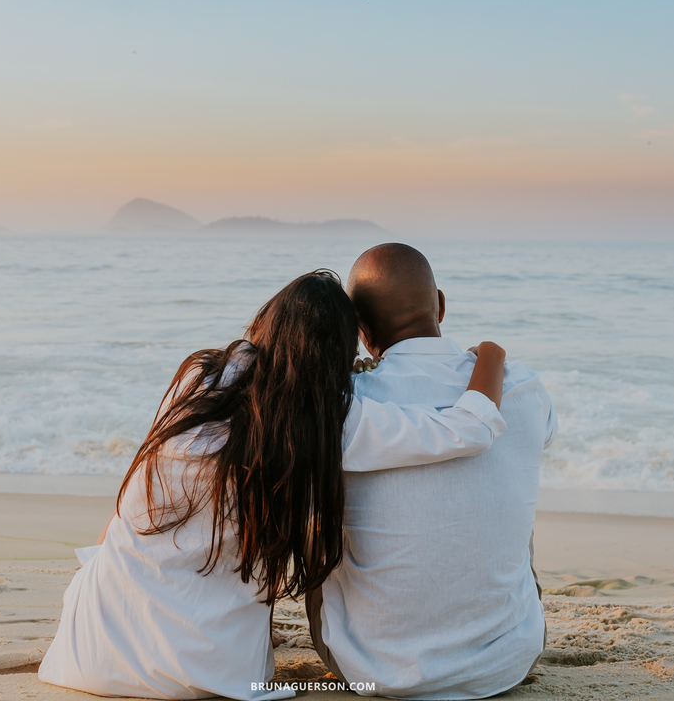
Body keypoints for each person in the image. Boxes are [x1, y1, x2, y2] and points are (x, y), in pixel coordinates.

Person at [38, 269, 511, 700]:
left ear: (268, 323)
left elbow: (129, 509)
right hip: (207, 675)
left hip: (87, 650)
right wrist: (491, 353)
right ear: (343, 348)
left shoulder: (201, 379)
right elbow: (471, 429)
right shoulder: (331, 423)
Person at [308, 244, 557, 698]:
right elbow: (540, 436)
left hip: (372, 668)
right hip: (505, 664)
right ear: (440, 304)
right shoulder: (522, 385)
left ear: (361, 331)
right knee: (505, 478)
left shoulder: (344, 404)